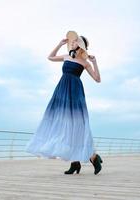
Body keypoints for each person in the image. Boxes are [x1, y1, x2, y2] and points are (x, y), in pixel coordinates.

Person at [25, 30, 103, 175]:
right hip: (62, 91)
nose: (71, 43)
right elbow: (50, 57)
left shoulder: (84, 62)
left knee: (77, 124)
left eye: (75, 42)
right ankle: (75, 163)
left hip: (75, 92)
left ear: (80, 46)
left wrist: (94, 62)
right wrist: (59, 44)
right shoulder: (67, 56)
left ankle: (93, 157)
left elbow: (97, 79)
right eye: (72, 41)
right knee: (62, 123)